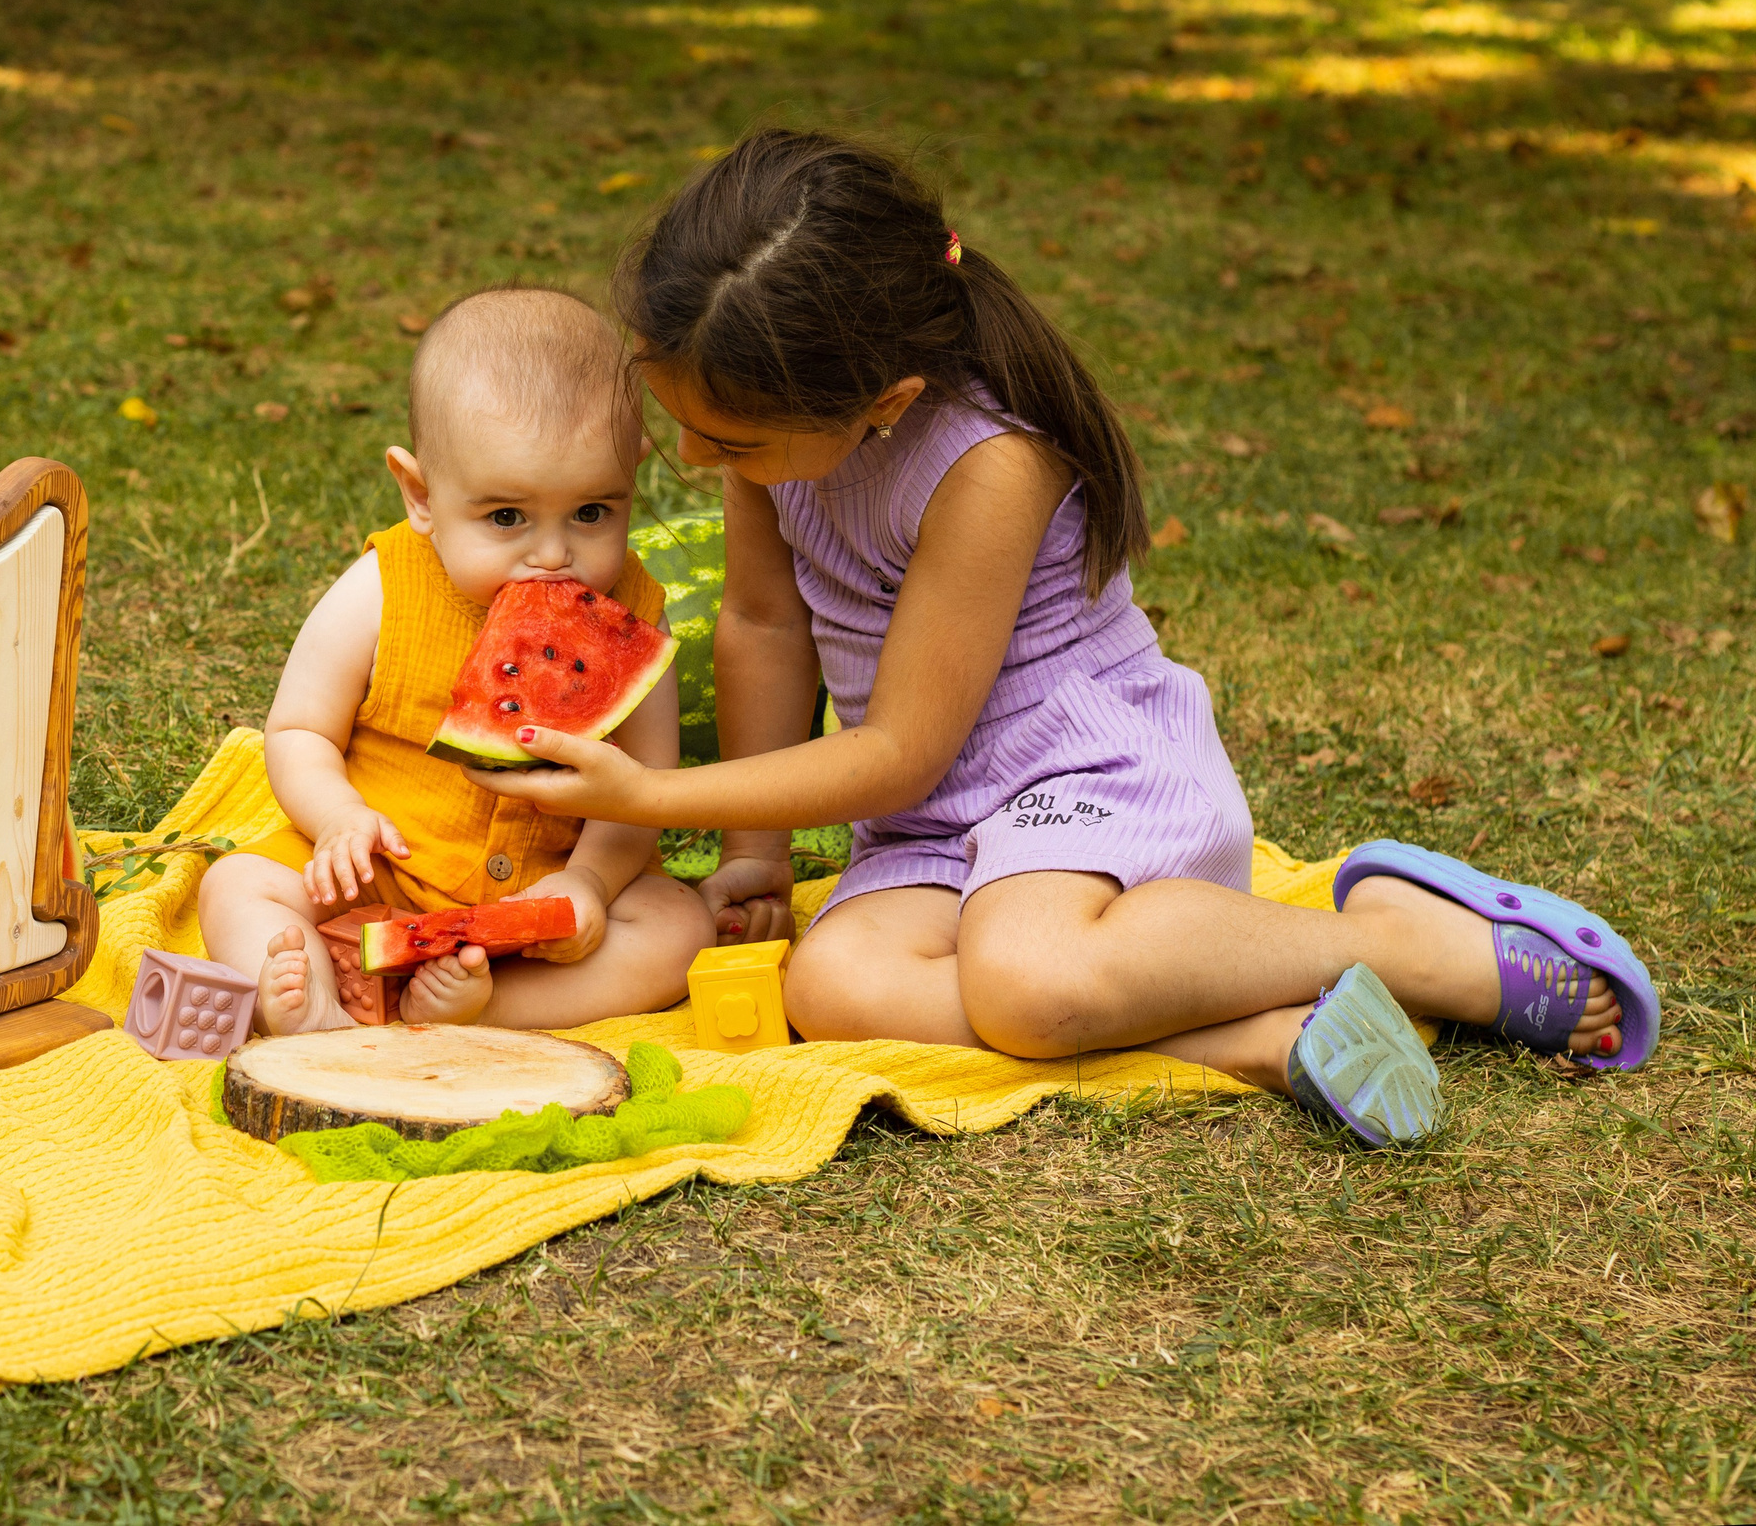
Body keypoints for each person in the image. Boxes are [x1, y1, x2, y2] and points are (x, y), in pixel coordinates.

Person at [460, 130, 1659, 1146]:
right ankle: (1265, 1037)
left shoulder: (992, 461)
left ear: (880, 405)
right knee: (831, 982)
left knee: (1027, 982)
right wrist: (756, 855)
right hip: (939, 828)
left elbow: (901, 752)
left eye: (727, 444)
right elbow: (767, 625)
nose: (692, 462)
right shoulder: (763, 421)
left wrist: (653, 796)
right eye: (691, 429)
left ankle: (1408, 941)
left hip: (1082, 774)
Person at [196, 286, 712, 1036]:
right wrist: (340, 819)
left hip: (538, 902)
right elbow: (300, 729)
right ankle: (311, 1004)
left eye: (593, 512)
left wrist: (590, 882)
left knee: (675, 927)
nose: (552, 553)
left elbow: (643, 792)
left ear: (632, 478)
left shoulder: (636, 610)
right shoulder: (382, 584)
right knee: (237, 884)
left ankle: (485, 1006)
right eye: (507, 516)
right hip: (381, 873)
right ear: (421, 494)